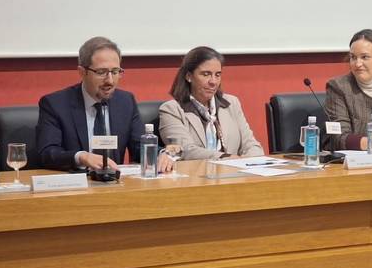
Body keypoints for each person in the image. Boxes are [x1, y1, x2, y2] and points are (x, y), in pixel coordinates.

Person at [36, 36, 173, 173]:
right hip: (75, 185)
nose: (110, 81)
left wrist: (161, 154)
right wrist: (82, 157)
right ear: (82, 72)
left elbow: (139, 146)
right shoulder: (56, 104)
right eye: (101, 72)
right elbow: (47, 153)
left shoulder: (125, 101)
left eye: (115, 72)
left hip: (113, 185)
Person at [159, 46, 264, 160]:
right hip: (196, 176)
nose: (213, 82)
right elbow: (184, 150)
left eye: (217, 75)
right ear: (189, 76)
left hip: (233, 174)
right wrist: (225, 158)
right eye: (206, 74)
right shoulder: (171, 110)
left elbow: (251, 144)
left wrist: (250, 161)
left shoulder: (231, 103)